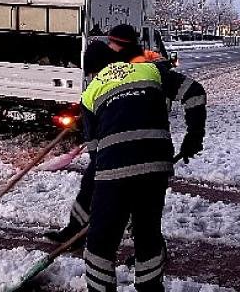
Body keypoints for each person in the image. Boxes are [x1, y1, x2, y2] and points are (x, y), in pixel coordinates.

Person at [45, 26, 204, 246]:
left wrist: (194, 135)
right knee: (93, 185)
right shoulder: (117, 63)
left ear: (124, 45)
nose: (110, 47)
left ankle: (150, 248)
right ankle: (76, 230)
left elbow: (193, 92)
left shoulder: (144, 66)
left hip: (144, 145)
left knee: (141, 206)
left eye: (114, 43)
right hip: (120, 146)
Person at [75, 40, 206, 292]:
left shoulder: (91, 92)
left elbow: (95, 151)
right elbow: (195, 92)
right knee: (147, 232)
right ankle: (150, 288)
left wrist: (103, 201)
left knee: (100, 244)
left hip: (113, 169)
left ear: (92, 71)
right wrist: (193, 137)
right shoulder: (149, 70)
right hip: (155, 166)